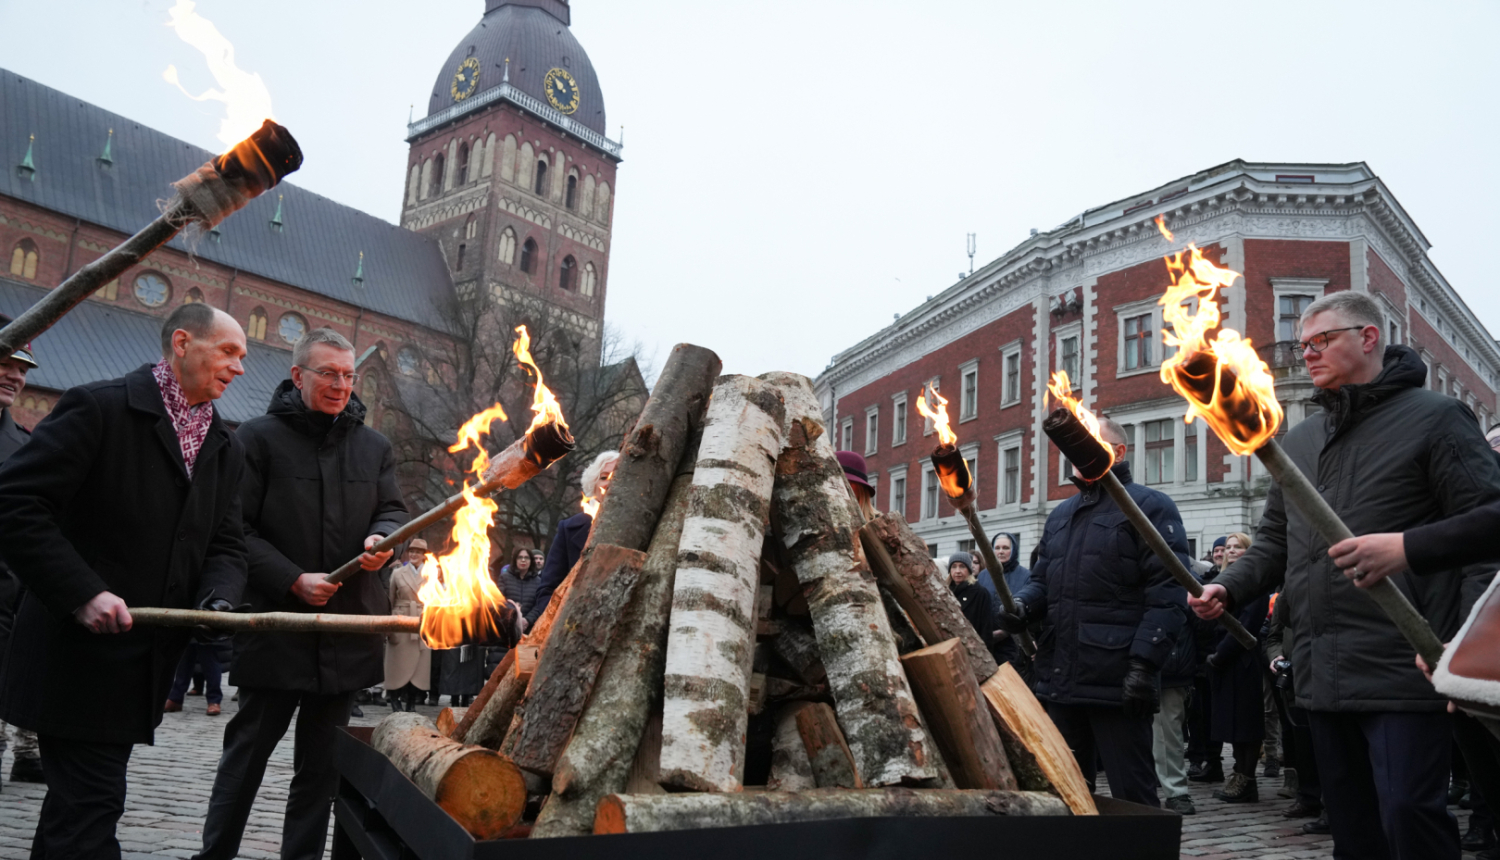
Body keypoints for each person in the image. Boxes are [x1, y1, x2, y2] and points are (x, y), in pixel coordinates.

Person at [1191, 291, 1500, 860]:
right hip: (1322, 669)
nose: (1307, 353)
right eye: (1304, 343)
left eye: (1322, 340)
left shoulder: (1437, 418)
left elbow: (1489, 526)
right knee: (1352, 830)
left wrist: (1462, 638)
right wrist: (1228, 587)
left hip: (1405, 663)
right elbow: (1275, 541)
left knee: (1409, 815)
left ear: (1368, 337)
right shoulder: (1299, 440)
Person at [0, 304, 250, 857]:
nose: (239, 367)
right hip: (75, 658)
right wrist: (82, 592)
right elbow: (15, 504)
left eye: (243, 356)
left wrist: (217, 600)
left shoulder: (224, 445)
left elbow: (226, 544)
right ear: (182, 343)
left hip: (141, 667)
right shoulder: (100, 407)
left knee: (79, 809)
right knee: (90, 806)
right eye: (228, 352)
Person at [194, 328, 410, 860]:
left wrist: (383, 539)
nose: (341, 385)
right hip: (275, 629)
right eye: (328, 374)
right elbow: (234, 530)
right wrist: (292, 578)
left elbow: (393, 511)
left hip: (345, 633)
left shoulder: (375, 446)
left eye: (348, 375)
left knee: (320, 773)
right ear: (298, 375)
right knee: (244, 761)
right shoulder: (256, 439)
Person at [1001, 416, 1190, 807]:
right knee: (1067, 792)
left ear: (1118, 452)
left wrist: (1144, 665)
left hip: (1117, 680)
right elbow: (1042, 580)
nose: (1076, 451)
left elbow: (1167, 593)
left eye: (1089, 441)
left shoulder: (1150, 506)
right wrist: (1023, 605)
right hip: (1061, 677)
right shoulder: (1061, 515)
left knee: (1133, 795)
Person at [0, 316, 42, 786]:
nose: (15, 376)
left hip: (12, 593)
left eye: (23, 369)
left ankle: (26, 749)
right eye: (6, 364)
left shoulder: (24, 446)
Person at [1205, 532, 1270, 804]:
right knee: (1231, 724)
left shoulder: (1254, 585)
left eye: (1238, 546)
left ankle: (1247, 778)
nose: (1231, 550)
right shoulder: (1220, 582)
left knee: (1246, 724)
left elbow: (1247, 625)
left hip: (1242, 660)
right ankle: (1239, 773)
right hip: (1224, 661)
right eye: (1228, 546)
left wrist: (1221, 655)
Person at [526, 450, 619, 629]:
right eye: (604, 477)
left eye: (617, 476)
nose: (609, 483)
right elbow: (548, 588)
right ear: (593, 484)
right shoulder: (570, 529)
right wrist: (559, 626)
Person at [1186, 535, 1228, 784]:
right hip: (1200, 658)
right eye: (1218, 550)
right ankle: (1198, 758)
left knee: (1215, 715)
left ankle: (1214, 761)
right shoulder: (1202, 581)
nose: (1221, 553)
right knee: (1197, 714)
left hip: (1222, 656)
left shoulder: (1234, 584)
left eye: (1225, 549)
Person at [384, 540, 430, 712]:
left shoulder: (431, 573)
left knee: (419, 666)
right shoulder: (397, 573)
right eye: (411, 551)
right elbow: (390, 599)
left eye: (418, 552)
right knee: (397, 662)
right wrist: (389, 624)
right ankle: (394, 699)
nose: (413, 554)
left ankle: (411, 702)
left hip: (422, 620)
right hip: (401, 620)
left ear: (424, 555)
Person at [976, 533, 1031, 666]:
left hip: (1014, 645)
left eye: (1005, 548)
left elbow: (1030, 609)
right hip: (986, 644)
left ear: (1014, 550)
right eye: (997, 548)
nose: (1001, 551)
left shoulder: (1026, 576)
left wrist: (1006, 632)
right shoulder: (983, 576)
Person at [164, 637, 225, 716]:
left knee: (208, 654)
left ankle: (214, 700)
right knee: (184, 656)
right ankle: (175, 698)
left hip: (207, 634)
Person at [946, 554, 993, 647]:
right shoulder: (944, 592)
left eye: (962, 566)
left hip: (973, 647)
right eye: (954, 566)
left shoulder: (980, 593)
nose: (957, 571)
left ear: (969, 569)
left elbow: (986, 629)